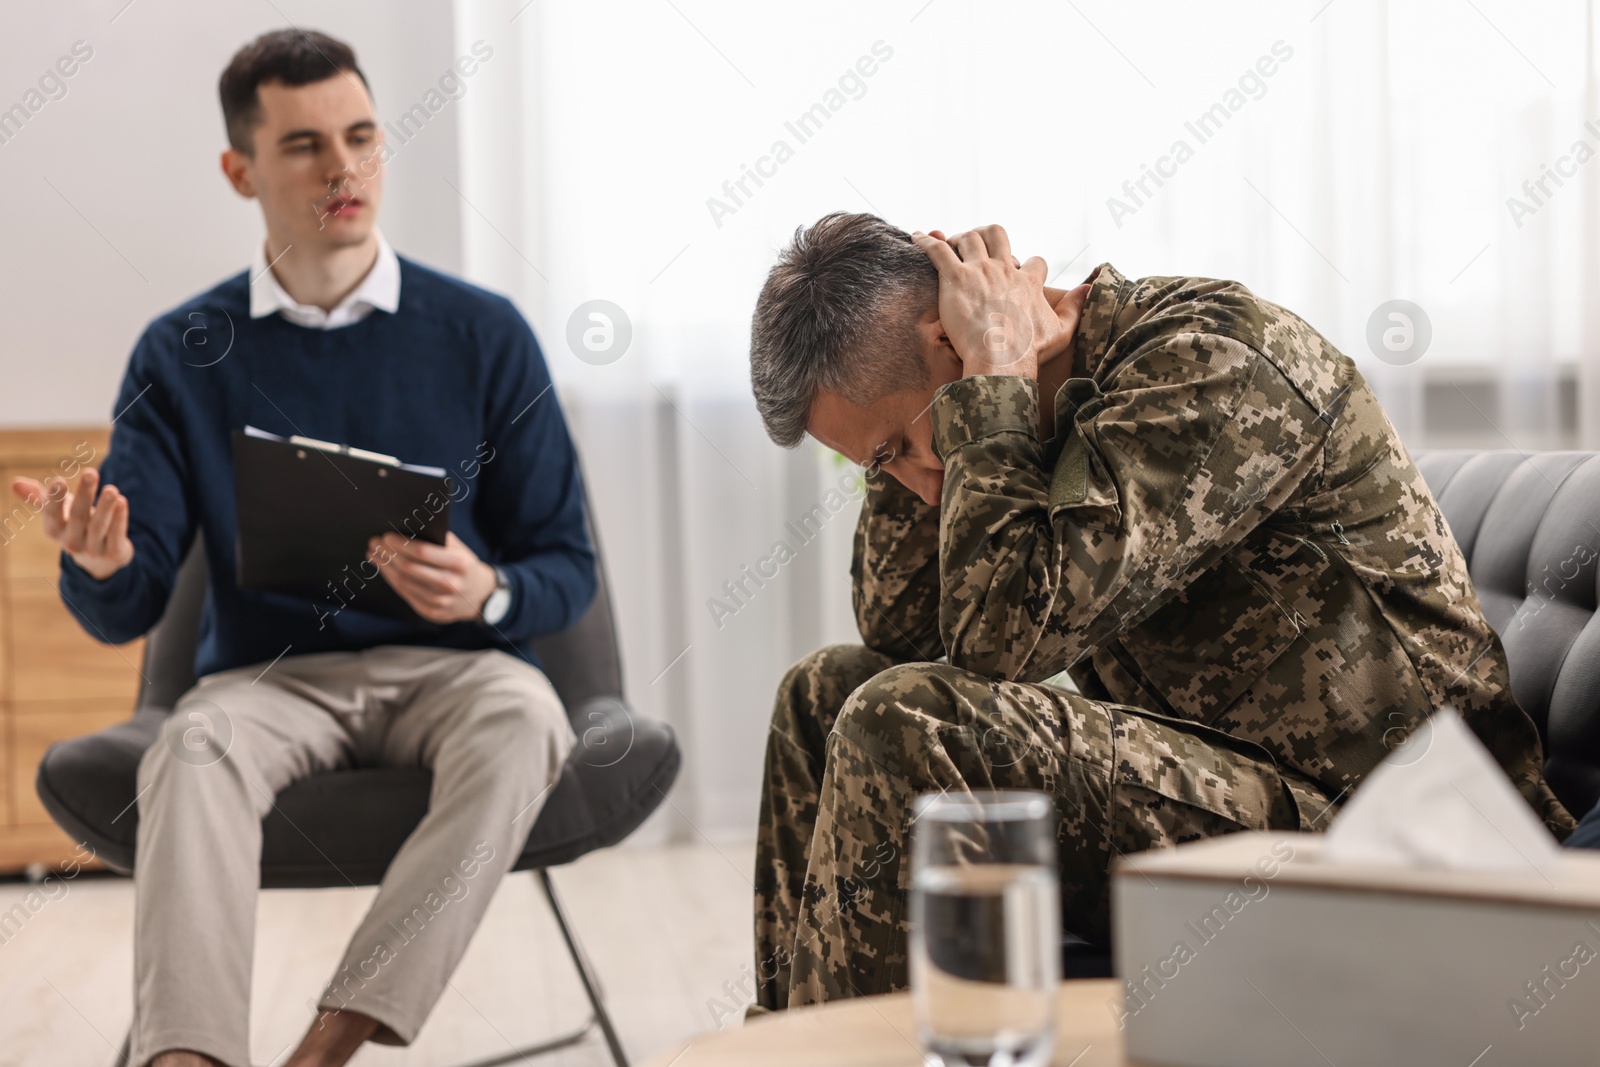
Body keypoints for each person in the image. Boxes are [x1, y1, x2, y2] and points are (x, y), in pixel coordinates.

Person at [745, 212, 1574, 1010]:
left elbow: (998, 641)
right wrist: (949, 424)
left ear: (949, 341)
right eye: (877, 468)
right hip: (1247, 804)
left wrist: (987, 378)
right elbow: (900, 631)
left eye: (893, 449)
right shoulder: (1020, 418)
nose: (915, 479)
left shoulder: (1206, 360)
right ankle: (793, 1047)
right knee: (822, 695)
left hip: (1393, 838)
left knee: (905, 722)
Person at [7, 30, 594, 1067]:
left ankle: (325, 1047)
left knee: (524, 718)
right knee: (189, 746)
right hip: (268, 681)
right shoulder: (182, 349)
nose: (344, 169)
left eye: (363, 137)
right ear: (240, 171)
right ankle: (189, 1058)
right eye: (306, 145)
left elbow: (564, 564)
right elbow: (131, 598)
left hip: (456, 669)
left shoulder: (485, 333)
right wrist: (98, 561)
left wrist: (488, 592)